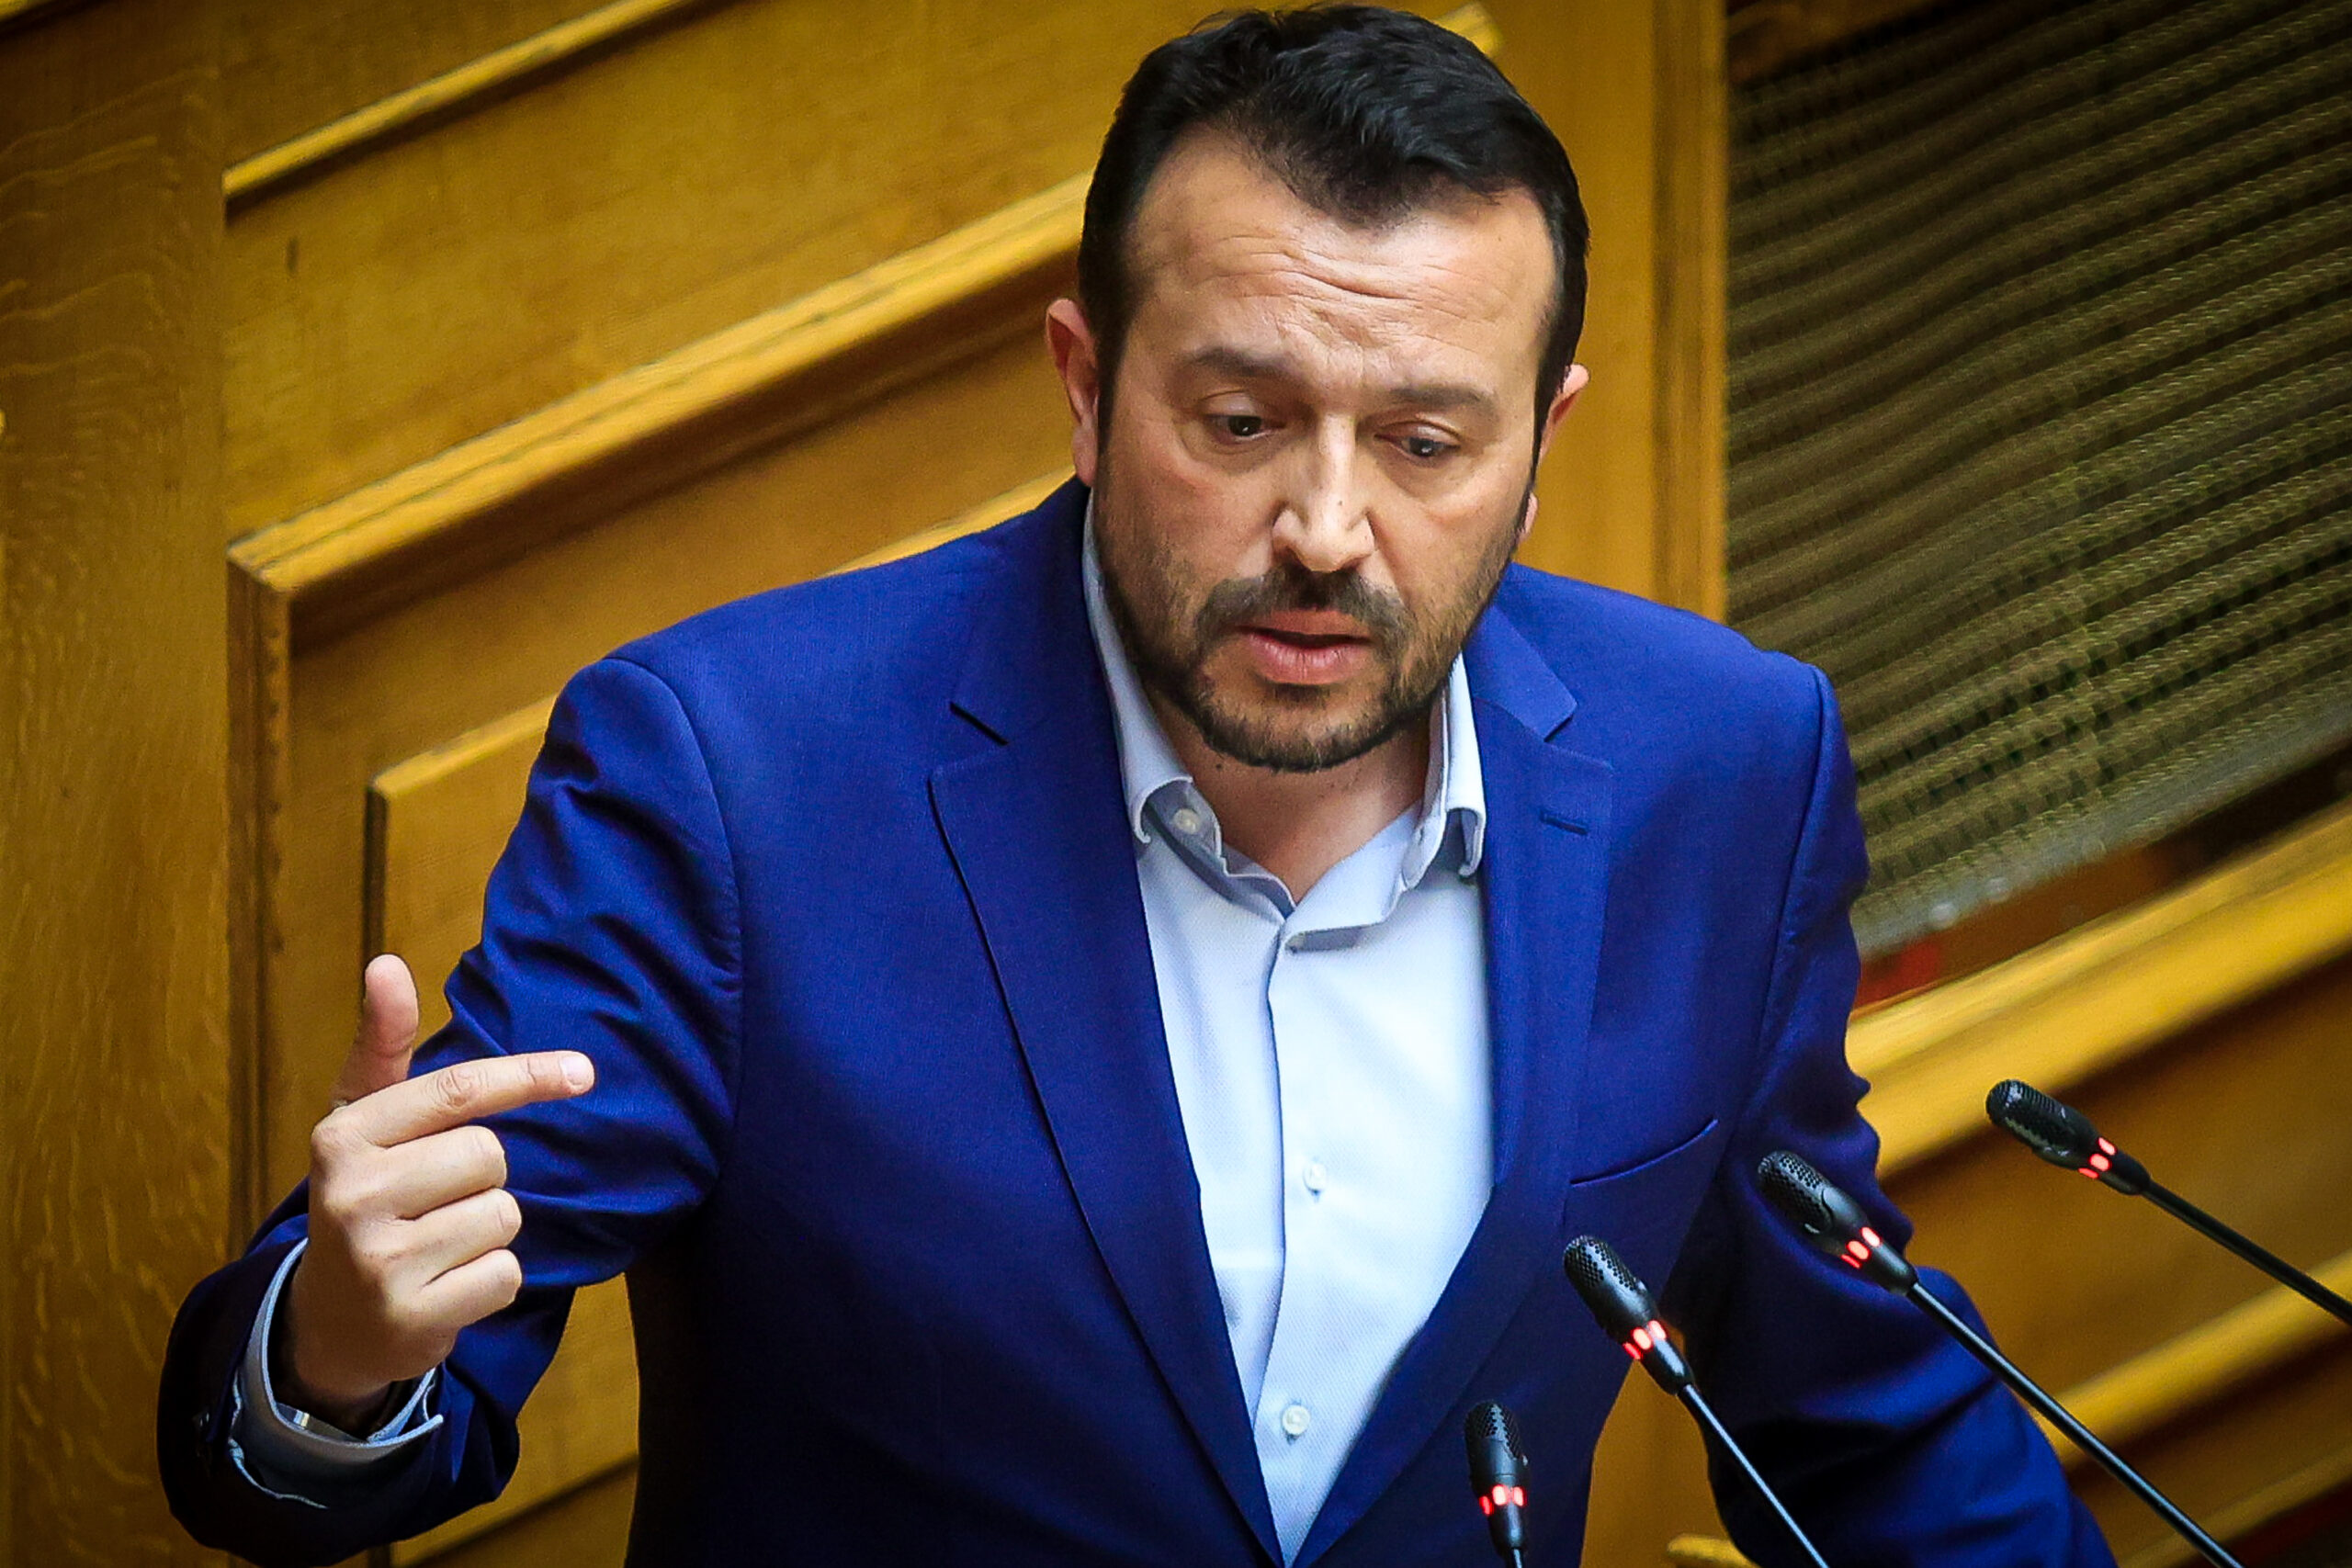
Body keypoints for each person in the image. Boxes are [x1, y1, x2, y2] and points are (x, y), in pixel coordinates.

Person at [159, 8, 2115, 1565]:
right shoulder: (733, 777)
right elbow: (334, 1420)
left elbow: (1856, 1406)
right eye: (1242, 420)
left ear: (1541, 445)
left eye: (1426, 442)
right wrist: (329, 1355)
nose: (1326, 528)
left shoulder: (1723, 766)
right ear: (1087, 386)